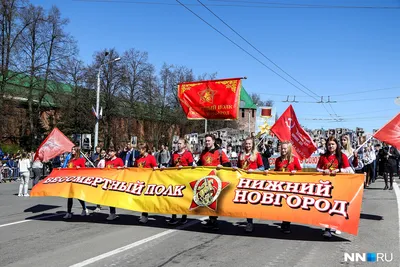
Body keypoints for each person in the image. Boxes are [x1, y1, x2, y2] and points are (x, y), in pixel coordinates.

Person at [316, 136, 353, 238]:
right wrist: (324, 171)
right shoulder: (323, 157)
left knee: (338, 205)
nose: (331, 146)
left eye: (332, 144)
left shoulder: (342, 156)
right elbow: (317, 168)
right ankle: (327, 228)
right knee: (327, 206)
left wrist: (338, 171)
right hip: (326, 185)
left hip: (340, 184)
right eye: (329, 144)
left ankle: (337, 225)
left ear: (336, 145)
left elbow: (348, 169)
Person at [195, 134, 231, 230]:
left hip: (216, 180)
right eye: (206, 141)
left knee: (213, 201)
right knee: (208, 200)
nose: (207, 142)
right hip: (206, 181)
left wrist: (222, 166)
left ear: (213, 141)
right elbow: (200, 164)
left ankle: (214, 221)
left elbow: (227, 164)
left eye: (209, 141)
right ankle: (211, 220)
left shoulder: (219, 152)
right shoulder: (203, 153)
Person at [236, 137, 264, 232]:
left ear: (252, 145)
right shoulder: (241, 155)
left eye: (249, 144)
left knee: (251, 203)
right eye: (246, 144)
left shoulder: (257, 155)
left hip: (253, 182)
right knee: (246, 203)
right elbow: (238, 167)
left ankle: (250, 222)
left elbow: (262, 168)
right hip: (243, 182)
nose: (248, 145)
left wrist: (254, 170)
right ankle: (249, 222)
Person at [274, 141, 302, 234]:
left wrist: (295, 172)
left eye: (285, 148)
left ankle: (286, 223)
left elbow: (300, 171)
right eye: (282, 148)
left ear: (289, 149)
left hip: (291, 186)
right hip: (280, 186)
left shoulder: (294, 159)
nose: (283, 150)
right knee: (281, 205)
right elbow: (275, 171)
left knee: (288, 205)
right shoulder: (278, 160)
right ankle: (284, 221)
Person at [167, 138, 194, 225]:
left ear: (184, 145)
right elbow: (171, 165)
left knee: (183, 198)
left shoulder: (188, 154)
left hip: (184, 179)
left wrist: (184, 168)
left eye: (180, 143)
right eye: (177, 143)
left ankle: (184, 216)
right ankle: (173, 216)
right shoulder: (174, 154)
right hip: (175, 179)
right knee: (174, 198)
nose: (178, 145)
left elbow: (191, 167)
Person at [63, 146, 89, 219]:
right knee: (69, 196)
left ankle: (84, 208)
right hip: (70, 179)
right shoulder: (70, 160)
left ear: (77, 151)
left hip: (77, 180)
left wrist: (80, 168)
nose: (72, 150)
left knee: (78, 196)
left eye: (74, 149)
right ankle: (68, 212)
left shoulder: (81, 159)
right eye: (72, 149)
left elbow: (84, 169)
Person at [135, 143, 158, 224]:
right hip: (140, 181)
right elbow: (134, 168)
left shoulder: (151, 158)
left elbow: (155, 167)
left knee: (146, 199)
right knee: (141, 199)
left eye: (140, 149)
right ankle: (144, 214)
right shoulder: (137, 159)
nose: (138, 151)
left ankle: (145, 215)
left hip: (148, 181)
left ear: (144, 149)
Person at [104, 148, 125, 220]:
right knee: (110, 198)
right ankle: (112, 213)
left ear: (115, 152)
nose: (110, 153)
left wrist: (120, 168)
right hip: (109, 181)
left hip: (116, 181)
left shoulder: (119, 160)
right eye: (109, 151)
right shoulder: (107, 161)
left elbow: (123, 169)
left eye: (111, 151)